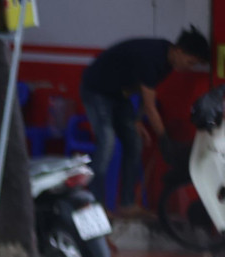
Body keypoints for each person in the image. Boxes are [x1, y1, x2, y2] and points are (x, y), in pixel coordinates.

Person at [81, 25, 211, 214]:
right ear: (179, 50)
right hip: (96, 91)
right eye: (190, 62)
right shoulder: (153, 58)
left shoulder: (167, 61)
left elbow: (145, 92)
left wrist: (137, 120)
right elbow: (151, 106)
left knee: (135, 143)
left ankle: (127, 204)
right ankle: (94, 205)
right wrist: (165, 139)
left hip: (119, 95)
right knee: (107, 144)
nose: (188, 67)